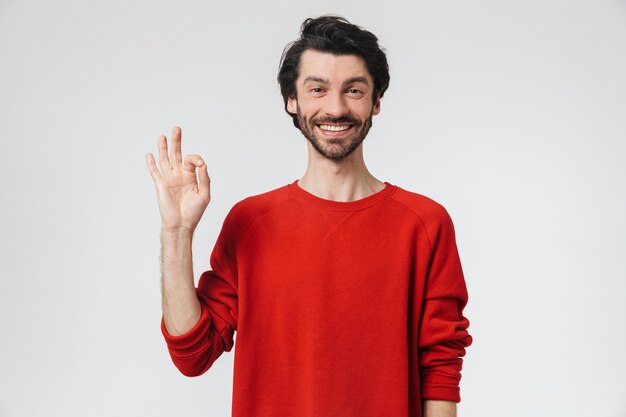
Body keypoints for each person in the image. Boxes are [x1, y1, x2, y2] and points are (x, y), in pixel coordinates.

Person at [146, 15, 472, 417]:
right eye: (317, 89)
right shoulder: (249, 223)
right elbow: (191, 356)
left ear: (376, 101)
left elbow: (440, 368)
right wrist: (176, 232)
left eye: (353, 89)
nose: (335, 107)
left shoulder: (424, 224)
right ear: (292, 100)